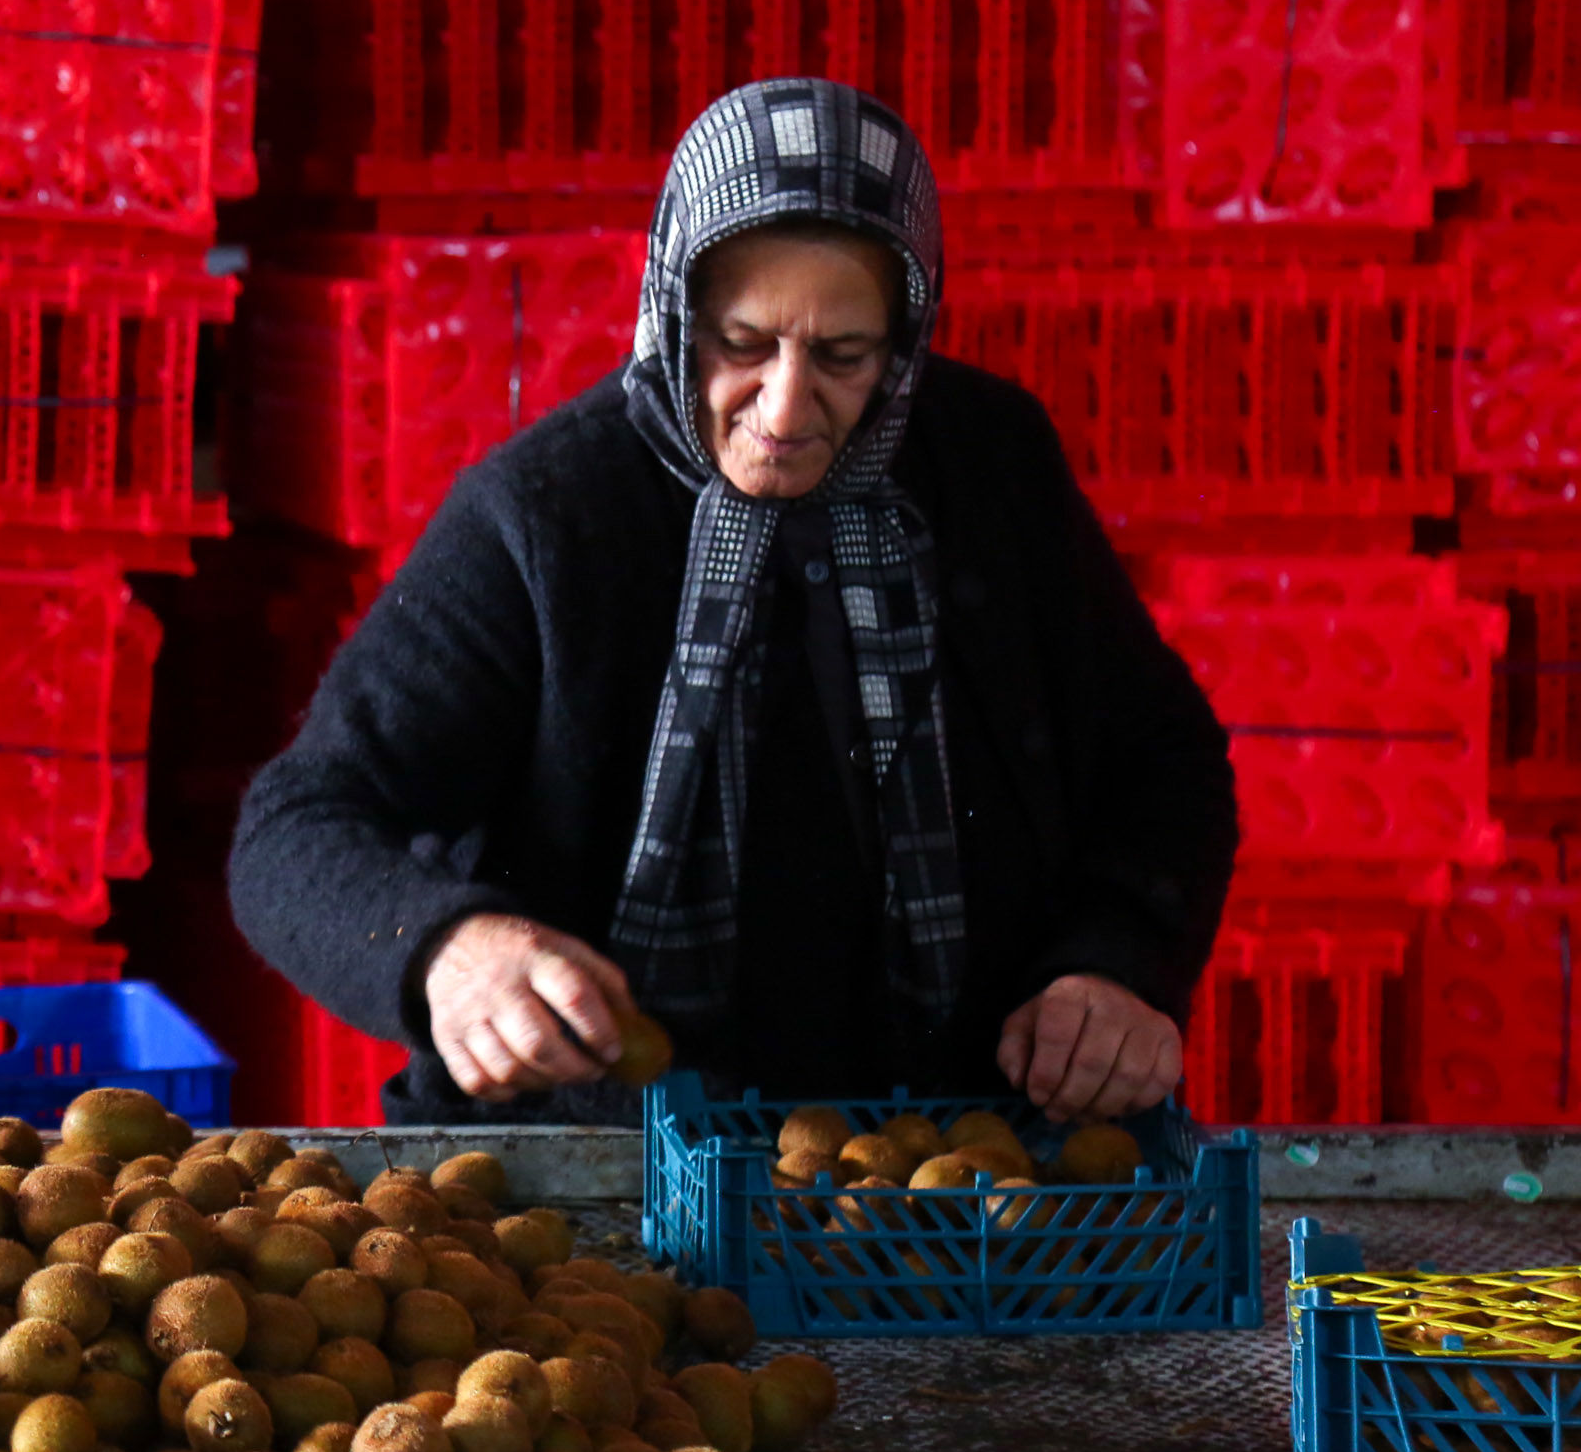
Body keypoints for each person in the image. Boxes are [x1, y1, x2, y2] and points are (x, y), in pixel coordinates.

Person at [228, 79, 1236, 1128]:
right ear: (675, 308)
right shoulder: (549, 516)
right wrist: (444, 948)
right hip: (598, 1162)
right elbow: (295, 829)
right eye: (742, 343)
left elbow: (1164, 759)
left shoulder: (990, 469)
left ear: (906, 336)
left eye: (845, 355)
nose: (787, 407)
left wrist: (1117, 961)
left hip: (952, 1159)